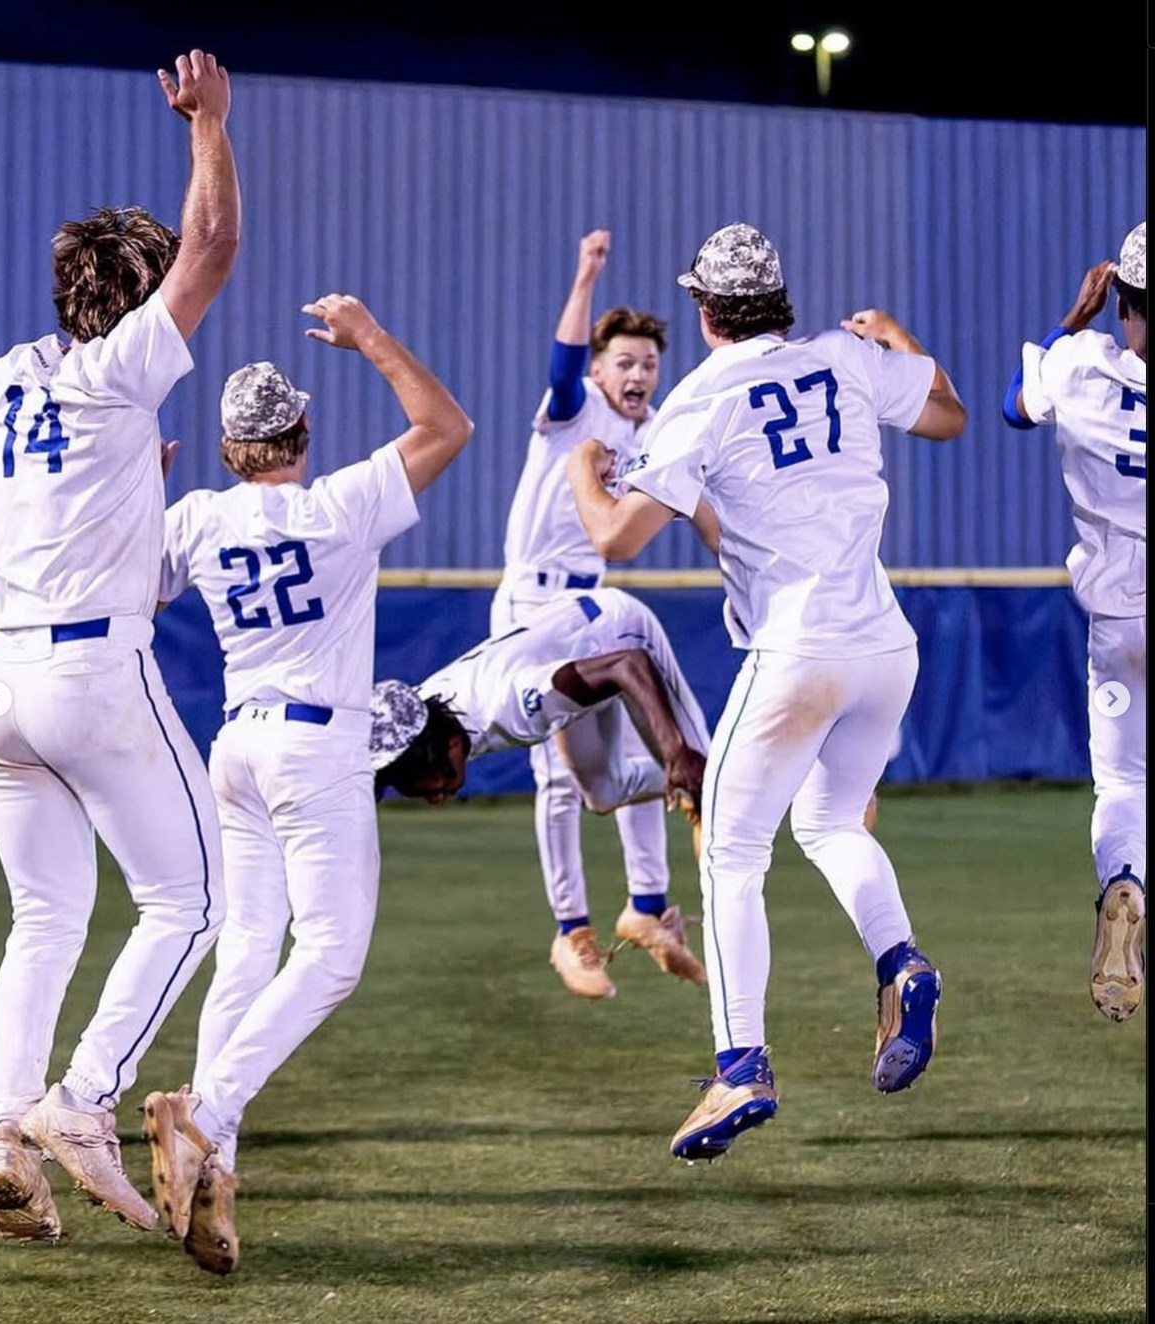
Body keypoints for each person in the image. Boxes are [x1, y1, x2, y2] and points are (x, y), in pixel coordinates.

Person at [567, 221, 967, 1162]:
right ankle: (901, 961)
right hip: (885, 647)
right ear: (777, 299)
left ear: (707, 310)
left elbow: (616, 538)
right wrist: (896, 338)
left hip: (796, 651)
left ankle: (740, 1064)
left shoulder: (702, 395)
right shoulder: (844, 356)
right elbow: (948, 414)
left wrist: (584, 473)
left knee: (730, 853)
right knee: (829, 823)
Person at [0, 49, 240, 1243]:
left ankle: (3, 1136)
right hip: (88, 671)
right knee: (194, 897)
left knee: (45, 916)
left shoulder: (12, 377)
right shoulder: (125, 364)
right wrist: (208, 123)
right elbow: (213, 244)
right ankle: (83, 1099)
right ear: (136, 292)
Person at [141, 297, 473, 1275]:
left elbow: (133, 584)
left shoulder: (198, 517)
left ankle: (212, 1169)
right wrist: (371, 338)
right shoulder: (340, 505)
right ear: (301, 434)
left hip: (236, 745)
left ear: (228, 448)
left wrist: (142, 487)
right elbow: (448, 426)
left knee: (249, 950)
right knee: (328, 955)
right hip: (313, 748)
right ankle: (207, 1116)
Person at [492, 229, 680, 996]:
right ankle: (572, 930)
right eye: (625, 362)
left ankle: (649, 907)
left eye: (648, 364)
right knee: (558, 775)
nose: (637, 374)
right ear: (603, 371)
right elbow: (563, 364)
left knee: (639, 741)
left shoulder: (653, 431)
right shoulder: (575, 410)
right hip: (531, 599)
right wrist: (584, 277)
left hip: (591, 600)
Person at [370, 585, 711, 998]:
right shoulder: (415, 717)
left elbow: (628, 664)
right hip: (569, 654)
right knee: (603, 794)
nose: (439, 797)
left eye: (439, 784)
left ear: (452, 746)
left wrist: (675, 751)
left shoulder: (513, 707)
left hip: (617, 634)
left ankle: (718, 781)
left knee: (711, 790)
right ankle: (692, 786)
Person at [1001, 221, 1146, 1023]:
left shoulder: (1082, 363)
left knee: (1123, 782)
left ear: (1121, 300)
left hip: (1121, 619)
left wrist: (1072, 316)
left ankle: (1125, 881)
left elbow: (1013, 408)